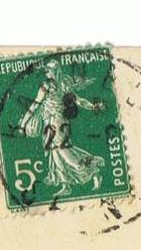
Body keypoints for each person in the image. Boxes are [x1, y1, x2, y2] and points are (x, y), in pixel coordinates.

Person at [17, 59, 106, 197]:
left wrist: (22, 125)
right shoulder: (62, 84)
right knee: (55, 153)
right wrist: (92, 106)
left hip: (56, 124)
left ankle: (94, 171)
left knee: (65, 154)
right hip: (53, 123)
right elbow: (78, 100)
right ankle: (66, 185)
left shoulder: (49, 86)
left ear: (54, 71)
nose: (46, 72)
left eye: (48, 70)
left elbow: (35, 105)